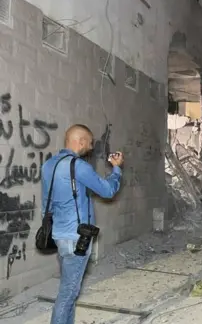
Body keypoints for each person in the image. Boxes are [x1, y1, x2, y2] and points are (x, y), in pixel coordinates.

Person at [42, 124, 123, 324]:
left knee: (69, 289)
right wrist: (117, 169)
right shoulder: (78, 166)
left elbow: (47, 203)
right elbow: (107, 190)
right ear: (80, 141)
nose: (90, 146)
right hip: (76, 237)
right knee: (68, 293)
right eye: (89, 141)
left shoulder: (49, 165)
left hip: (59, 235)